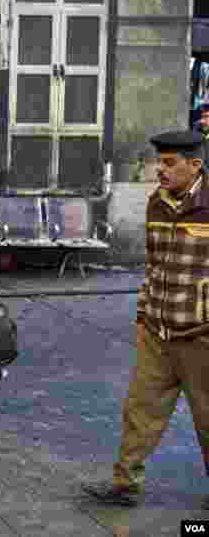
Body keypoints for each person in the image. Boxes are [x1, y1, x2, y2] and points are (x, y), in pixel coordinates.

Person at [83, 130, 209, 508]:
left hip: (201, 335)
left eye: (170, 163)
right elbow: (152, 266)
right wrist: (142, 314)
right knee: (139, 411)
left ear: (195, 165)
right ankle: (125, 484)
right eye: (160, 162)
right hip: (157, 331)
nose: (160, 170)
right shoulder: (156, 202)